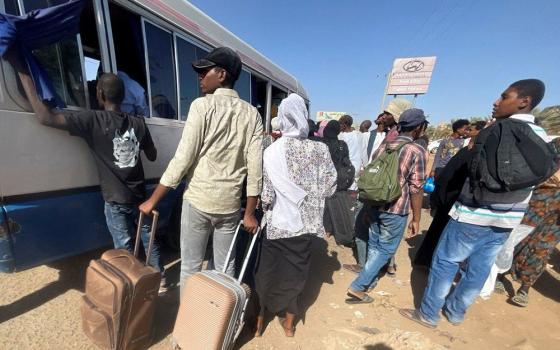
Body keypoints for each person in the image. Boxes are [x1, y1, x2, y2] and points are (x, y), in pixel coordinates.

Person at [6, 51, 166, 287]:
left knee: (123, 249)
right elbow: (152, 155)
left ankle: (132, 289)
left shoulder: (92, 120)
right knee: (148, 238)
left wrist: (22, 71)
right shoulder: (138, 123)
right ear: (123, 96)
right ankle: (159, 280)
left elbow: (45, 118)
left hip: (115, 200)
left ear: (100, 95)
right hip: (140, 197)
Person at [400, 79, 549, 328]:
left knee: (446, 262)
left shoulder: (495, 131)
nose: (496, 102)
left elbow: (474, 170)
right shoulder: (542, 137)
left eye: (504, 96)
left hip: (472, 213)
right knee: (479, 267)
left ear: (524, 101)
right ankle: (457, 312)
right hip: (508, 219)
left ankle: (428, 314)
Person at [139, 47, 263, 293]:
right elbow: (255, 169)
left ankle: (188, 327)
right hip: (229, 206)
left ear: (222, 74)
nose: (199, 77)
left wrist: (152, 200)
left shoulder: (201, 106)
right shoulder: (252, 115)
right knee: (224, 268)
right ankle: (214, 324)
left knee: (191, 268)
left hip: (198, 201)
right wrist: (249, 213)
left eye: (204, 71)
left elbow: (183, 158)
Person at [254, 93, 336, 337]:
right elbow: (330, 188)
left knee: (266, 272)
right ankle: (289, 326)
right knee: (296, 273)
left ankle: (258, 323)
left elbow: (266, 196)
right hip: (304, 227)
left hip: (276, 224)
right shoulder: (320, 149)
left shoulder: (271, 150)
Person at [345, 109, 427, 303]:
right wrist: (416, 218)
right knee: (386, 249)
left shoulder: (384, 146)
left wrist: (366, 206)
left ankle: (369, 281)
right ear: (418, 128)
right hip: (396, 209)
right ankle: (358, 286)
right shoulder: (416, 150)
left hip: (374, 205)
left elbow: (371, 177)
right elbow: (416, 188)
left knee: (375, 244)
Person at [343, 100, 412, 276]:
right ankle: (387, 265)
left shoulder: (395, 138)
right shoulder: (396, 135)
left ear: (397, 115)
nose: (383, 117)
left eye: (387, 113)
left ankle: (365, 268)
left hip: (379, 191)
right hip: (388, 192)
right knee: (384, 235)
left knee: (362, 228)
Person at [319, 120, 355, 243]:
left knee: (324, 203)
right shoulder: (342, 144)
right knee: (333, 203)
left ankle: (326, 228)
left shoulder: (319, 143)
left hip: (322, 178)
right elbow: (346, 162)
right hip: (338, 178)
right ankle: (332, 230)